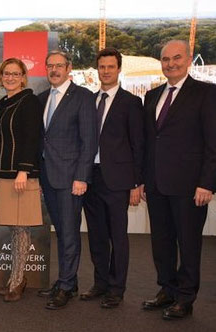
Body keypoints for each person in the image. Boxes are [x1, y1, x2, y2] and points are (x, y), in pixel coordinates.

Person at [140, 40, 216, 320]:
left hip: (190, 186)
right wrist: (143, 180)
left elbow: (213, 143)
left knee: (188, 242)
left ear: (187, 60)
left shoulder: (206, 94)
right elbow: (150, 142)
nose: (170, 63)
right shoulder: (152, 96)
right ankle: (167, 289)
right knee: (161, 241)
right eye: (165, 59)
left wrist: (207, 182)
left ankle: (186, 297)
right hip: (157, 184)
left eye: (176, 58)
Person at [81, 47, 144, 308]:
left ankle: (117, 289)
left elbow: (138, 145)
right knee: (96, 234)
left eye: (110, 67)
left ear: (119, 69)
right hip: (90, 178)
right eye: (102, 67)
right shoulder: (89, 101)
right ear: (97, 70)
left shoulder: (131, 103)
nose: (105, 71)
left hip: (117, 180)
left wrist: (137, 183)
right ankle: (101, 283)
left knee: (117, 236)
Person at [37, 50, 97, 309]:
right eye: (50, 66)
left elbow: (89, 140)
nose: (54, 70)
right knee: (61, 232)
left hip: (71, 178)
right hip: (48, 177)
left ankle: (66, 285)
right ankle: (67, 282)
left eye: (59, 65)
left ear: (69, 67)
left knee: (70, 233)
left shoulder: (82, 97)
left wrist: (82, 177)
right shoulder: (41, 98)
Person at [0, 58, 43, 302]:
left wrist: (24, 170)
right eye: (6, 74)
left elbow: (33, 138)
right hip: (4, 175)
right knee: (14, 228)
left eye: (15, 73)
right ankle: (15, 278)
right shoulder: (4, 105)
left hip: (21, 177)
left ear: (23, 77)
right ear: (1, 77)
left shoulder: (29, 101)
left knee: (21, 228)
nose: (10, 77)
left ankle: (18, 281)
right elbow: (0, 143)